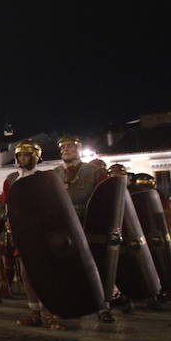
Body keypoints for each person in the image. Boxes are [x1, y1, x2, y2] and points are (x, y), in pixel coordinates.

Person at [0, 140, 64, 330]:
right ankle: (35, 312)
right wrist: (8, 221)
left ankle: (53, 312)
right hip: (22, 232)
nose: (23, 158)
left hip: (43, 232)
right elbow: (6, 204)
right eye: (20, 155)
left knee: (48, 273)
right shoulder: (11, 179)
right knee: (26, 273)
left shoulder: (46, 178)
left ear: (36, 156)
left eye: (27, 155)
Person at [56, 134, 114, 323]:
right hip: (64, 227)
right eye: (63, 148)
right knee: (68, 268)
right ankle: (73, 303)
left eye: (70, 147)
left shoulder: (95, 172)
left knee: (96, 266)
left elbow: (106, 199)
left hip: (90, 223)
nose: (66, 150)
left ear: (78, 150)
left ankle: (102, 306)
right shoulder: (54, 174)